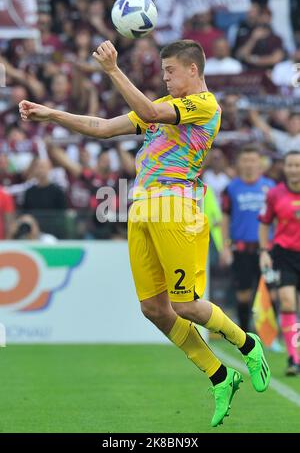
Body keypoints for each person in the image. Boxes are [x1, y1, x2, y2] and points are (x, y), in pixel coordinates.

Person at [19, 39, 270, 427]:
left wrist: (113, 70)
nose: (166, 77)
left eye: (171, 71)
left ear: (193, 70)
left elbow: (149, 109)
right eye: (164, 71)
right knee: (153, 308)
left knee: (185, 305)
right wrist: (51, 114)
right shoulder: (160, 110)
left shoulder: (203, 105)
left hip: (176, 206)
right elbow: (102, 128)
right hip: (143, 207)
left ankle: (247, 343)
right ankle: (221, 377)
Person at [221, 146, 275, 331]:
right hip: (242, 249)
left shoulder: (271, 187)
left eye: (253, 160)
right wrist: (226, 246)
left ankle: (272, 335)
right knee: (243, 294)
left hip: (267, 250)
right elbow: (225, 219)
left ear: (260, 164)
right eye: (245, 160)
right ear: (239, 164)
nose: (249, 164)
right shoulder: (230, 189)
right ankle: (245, 335)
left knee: (273, 293)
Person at [259, 150, 300, 375]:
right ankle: (293, 359)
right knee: (287, 302)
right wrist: (264, 250)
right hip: (285, 254)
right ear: (285, 168)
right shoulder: (275, 194)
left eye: (297, 165)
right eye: (290, 165)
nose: (294, 169)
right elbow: (265, 223)